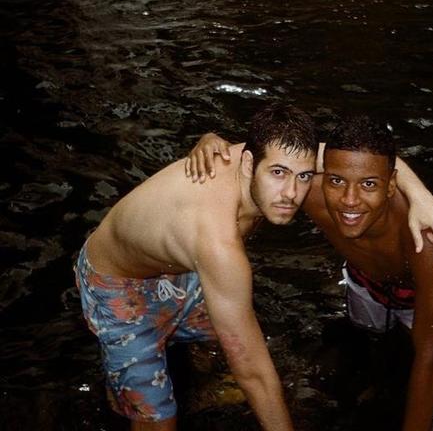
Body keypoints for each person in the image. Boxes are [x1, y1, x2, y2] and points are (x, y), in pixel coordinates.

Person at [188, 115, 433, 430]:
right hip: (362, 283)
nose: (349, 200)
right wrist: (214, 144)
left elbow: (431, 358)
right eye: (336, 181)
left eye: (368, 184)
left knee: (420, 366)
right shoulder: (306, 191)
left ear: (392, 185)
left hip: (416, 298)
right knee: (359, 354)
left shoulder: (425, 236)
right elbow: (267, 161)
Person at [75, 102, 319, 431]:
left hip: (180, 270)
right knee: (161, 422)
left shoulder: (268, 151)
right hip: (117, 284)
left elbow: (361, 154)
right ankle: (123, 390)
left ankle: (156, 374)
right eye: (278, 173)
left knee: (230, 350)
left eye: (304, 177)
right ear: (249, 163)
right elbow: (253, 373)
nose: (292, 193)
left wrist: (416, 194)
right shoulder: (218, 243)